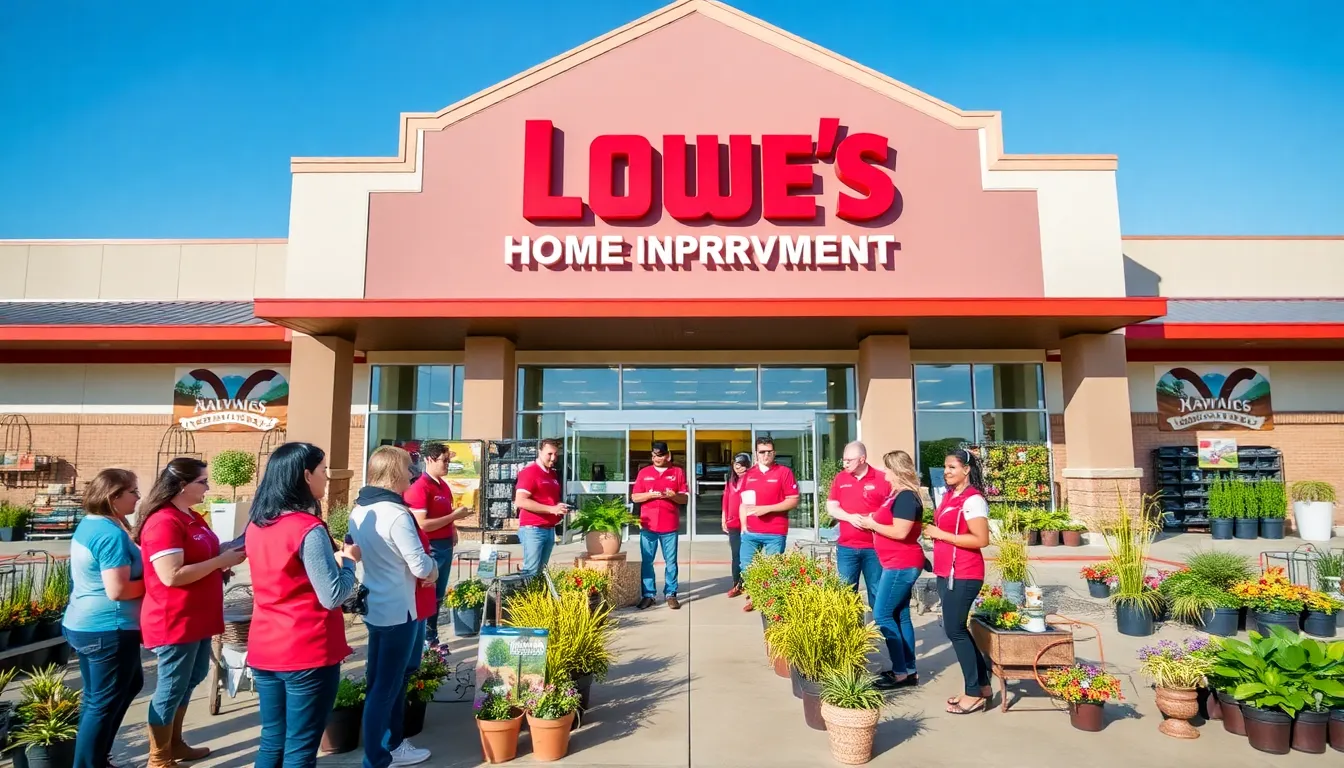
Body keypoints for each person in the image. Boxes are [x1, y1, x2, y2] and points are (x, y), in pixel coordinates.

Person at [245, 442, 360, 768]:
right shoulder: (307, 528)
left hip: (266, 648)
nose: (327, 477)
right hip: (306, 650)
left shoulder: (256, 525)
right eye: (323, 471)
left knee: (272, 741)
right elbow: (333, 594)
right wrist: (350, 562)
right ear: (306, 475)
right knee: (299, 748)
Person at [134, 457, 246, 768]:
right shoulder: (163, 521)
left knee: (193, 676)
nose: (208, 487)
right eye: (202, 482)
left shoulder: (192, 516)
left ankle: (175, 743)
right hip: (175, 618)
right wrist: (218, 563)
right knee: (171, 685)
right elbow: (170, 575)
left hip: (198, 616)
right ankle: (158, 756)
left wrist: (222, 558)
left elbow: (203, 555)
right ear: (183, 486)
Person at [348, 446, 437, 768]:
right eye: (408, 468)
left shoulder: (360, 509)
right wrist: (434, 568)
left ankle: (391, 744)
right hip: (398, 608)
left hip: (381, 605)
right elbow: (420, 566)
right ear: (396, 472)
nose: (413, 473)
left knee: (387, 680)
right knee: (386, 686)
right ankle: (379, 756)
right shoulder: (396, 514)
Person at [63, 469, 146, 768]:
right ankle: (89, 763)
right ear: (113, 497)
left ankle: (98, 756)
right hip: (107, 627)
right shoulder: (108, 534)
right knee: (102, 701)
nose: (139, 496)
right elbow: (118, 589)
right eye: (133, 491)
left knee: (123, 686)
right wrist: (159, 581)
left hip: (86, 623)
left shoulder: (98, 524)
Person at [922, 448, 993, 714]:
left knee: (955, 630)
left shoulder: (973, 500)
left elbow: (981, 540)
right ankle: (982, 686)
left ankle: (973, 693)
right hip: (946, 572)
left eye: (952, 467)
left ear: (966, 469)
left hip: (964, 573)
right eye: (945, 467)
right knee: (956, 629)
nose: (947, 472)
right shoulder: (951, 496)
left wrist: (941, 534)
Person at [854, 450, 925, 691]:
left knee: (883, 614)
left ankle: (900, 672)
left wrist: (873, 524)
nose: (884, 473)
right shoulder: (897, 495)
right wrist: (872, 520)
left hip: (900, 564)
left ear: (897, 471)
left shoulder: (906, 497)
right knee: (900, 615)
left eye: (887, 469)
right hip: (896, 563)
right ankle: (908, 670)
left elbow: (900, 532)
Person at [403, 441, 472, 647]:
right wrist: (453, 516)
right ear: (429, 459)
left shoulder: (442, 485)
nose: (447, 465)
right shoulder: (420, 488)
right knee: (428, 594)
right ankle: (425, 640)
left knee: (438, 594)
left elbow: (444, 514)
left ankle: (431, 638)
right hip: (430, 548)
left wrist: (452, 527)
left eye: (449, 460)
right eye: (444, 460)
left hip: (444, 546)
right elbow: (422, 525)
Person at [825, 441, 891, 609]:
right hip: (847, 547)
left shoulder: (882, 478)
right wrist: (849, 517)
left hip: (874, 547)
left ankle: (879, 631)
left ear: (862, 459)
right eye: (844, 460)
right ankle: (850, 633)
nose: (845, 463)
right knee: (846, 593)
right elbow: (832, 507)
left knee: (876, 591)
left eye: (849, 460)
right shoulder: (841, 478)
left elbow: (892, 509)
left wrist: (875, 518)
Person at [739, 436, 800, 612]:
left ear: (774, 452)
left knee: (773, 569)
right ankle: (755, 596)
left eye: (769, 452)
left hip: (775, 532)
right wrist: (743, 526)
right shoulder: (749, 474)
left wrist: (767, 509)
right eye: (762, 452)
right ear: (756, 453)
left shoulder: (784, 472)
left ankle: (770, 601)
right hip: (750, 532)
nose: (766, 455)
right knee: (746, 567)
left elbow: (793, 500)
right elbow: (744, 503)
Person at [631, 441, 688, 610]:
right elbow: (635, 497)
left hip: (669, 525)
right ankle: (648, 595)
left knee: (671, 562)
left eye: (660, 455)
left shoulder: (677, 472)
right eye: (654, 455)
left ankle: (671, 594)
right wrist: (648, 495)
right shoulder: (644, 473)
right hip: (648, 525)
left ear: (667, 455)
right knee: (647, 561)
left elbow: (685, 498)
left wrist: (673, 496)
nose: (657, 458)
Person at [514, 438, 568, 577]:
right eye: (549, 454)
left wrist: (558, 507)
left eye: (556, 454)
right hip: (533, 529)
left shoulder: (552, 474)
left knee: (541, 572)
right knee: (531, 572)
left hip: (549, 529)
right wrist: (552, 509)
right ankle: (524, 598)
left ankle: (537, 598)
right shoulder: (530, 472)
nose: (553, 458)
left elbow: (549, 500)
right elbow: (520, 501)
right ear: (539, 452)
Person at [722, 453, 751, 598]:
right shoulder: (730, 481)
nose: (739, 468)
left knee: (749, 556)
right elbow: (725, 501)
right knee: (736, 555)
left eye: (741, 465)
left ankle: (749, 586)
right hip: (733, 523)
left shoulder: (751, 480)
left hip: (749, 523)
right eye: (736, 465)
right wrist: (724, 519)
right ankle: (737, 584)